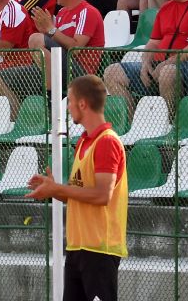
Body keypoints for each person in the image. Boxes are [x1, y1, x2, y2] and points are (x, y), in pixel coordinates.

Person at [26, 75, 127, 301]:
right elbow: (80, 195)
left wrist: (57, 190)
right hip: (78, 248)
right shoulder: (84, 141)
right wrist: (55, 190)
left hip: (100, 250)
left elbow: (102, 195)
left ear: (83, 103)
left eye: (70, 100)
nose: (68, 106)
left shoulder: (107, 142)